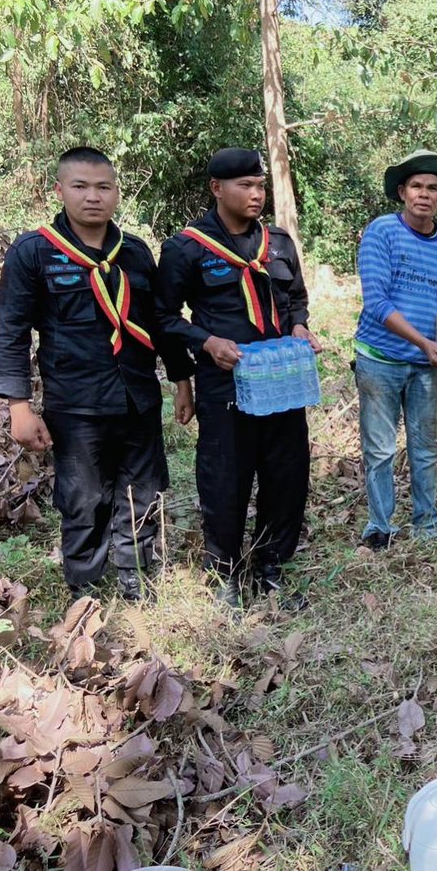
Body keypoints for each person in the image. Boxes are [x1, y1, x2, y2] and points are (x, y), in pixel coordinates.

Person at [0, 147, 195, 601]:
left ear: (117, 193)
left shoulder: (137, 254)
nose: (92, 197)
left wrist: (182, 379)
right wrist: (19, 407)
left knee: (142, 489)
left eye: (103, 187)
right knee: (83, 496)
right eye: (80, 186)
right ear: (59, 190)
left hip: (138, 395)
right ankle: (84, 581)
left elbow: (160, 322)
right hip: (75, 401)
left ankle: (135, 574)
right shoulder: (35, 252)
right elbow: (11, 331)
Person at [155, 148, 319, 608]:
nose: (255, 195)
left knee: (286, 477)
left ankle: (272, 569)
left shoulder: (279, 242)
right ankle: (225, 572)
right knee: (225, 479)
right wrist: (205, 345)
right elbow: (164, 317)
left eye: (260, 185)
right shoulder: (186, 247)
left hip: (282, 381)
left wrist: (300, 326)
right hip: (225, 384)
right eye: (245, 186)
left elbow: (296, 300)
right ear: (216, 189)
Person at [353, 149, 437, 549]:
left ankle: (427, 525)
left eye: (432, 188)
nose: (424, 194)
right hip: (379, 360)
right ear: (402, 192)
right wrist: (423, 342)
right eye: (416, 185)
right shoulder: (381, 232)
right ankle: (380, 527)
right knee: (380, 449)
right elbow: (377, 303)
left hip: (426, 368)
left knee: (425, 448)